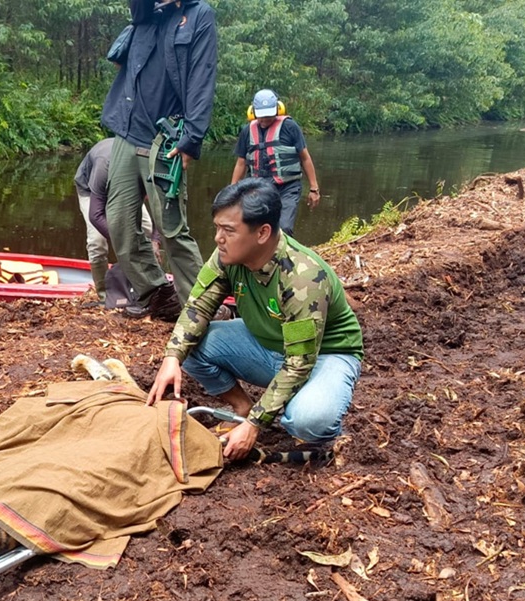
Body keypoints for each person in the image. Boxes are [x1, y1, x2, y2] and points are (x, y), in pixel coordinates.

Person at [146, 179, 362, 461]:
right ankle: (243, 408)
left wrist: (255, 426)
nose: (217, 238)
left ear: (262, 233)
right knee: (190, 345)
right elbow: (197, 308)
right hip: (267, 344)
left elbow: (299, 363)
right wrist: (171, 358)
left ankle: (315, 426)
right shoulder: (227, 256)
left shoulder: (302, 277)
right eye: (217, 228)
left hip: (324, 356)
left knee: (310, 420)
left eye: (228, 231)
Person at [100, 0, 218, 322]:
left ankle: (202, 308)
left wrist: (192, 137)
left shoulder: (198, 15)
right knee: (120, 225)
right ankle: (159, 294)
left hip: (164, 138)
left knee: (171, 229)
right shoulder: (146, 11)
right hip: (127, 132)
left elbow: (201, 76)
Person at [74, 137, 159, 303]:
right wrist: (123, 242)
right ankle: (104, 296)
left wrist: (155, 240)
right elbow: (96, 215)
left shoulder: (149, 165)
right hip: (92, 192)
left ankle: (144, 285)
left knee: (146, 228)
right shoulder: (103, 166)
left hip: (126, 186)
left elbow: (160, 209)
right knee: (97, 242)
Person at [231, 89, 321, 237]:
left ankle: (282, 258)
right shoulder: (247, 131)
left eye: (269, 116)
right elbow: (241, 163)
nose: (265, 120)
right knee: (257, 229)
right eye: (261, 117)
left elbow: (305, 157)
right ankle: (262, 259)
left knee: (284, 228)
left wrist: (314, 188)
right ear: (253, 112)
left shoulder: (290, 127)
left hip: (287, 187)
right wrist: (233, 191)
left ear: (278, 110)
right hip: (259, 188)